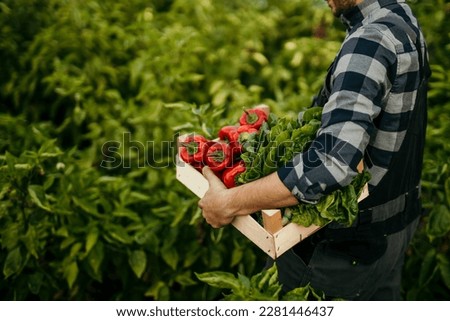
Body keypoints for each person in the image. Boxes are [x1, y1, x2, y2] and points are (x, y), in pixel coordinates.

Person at [198, 0, 430, 300]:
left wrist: (229, 202)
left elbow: (331, 162)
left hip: (340, 255)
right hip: (391, 230)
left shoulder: (370, 42)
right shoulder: (400, 16)